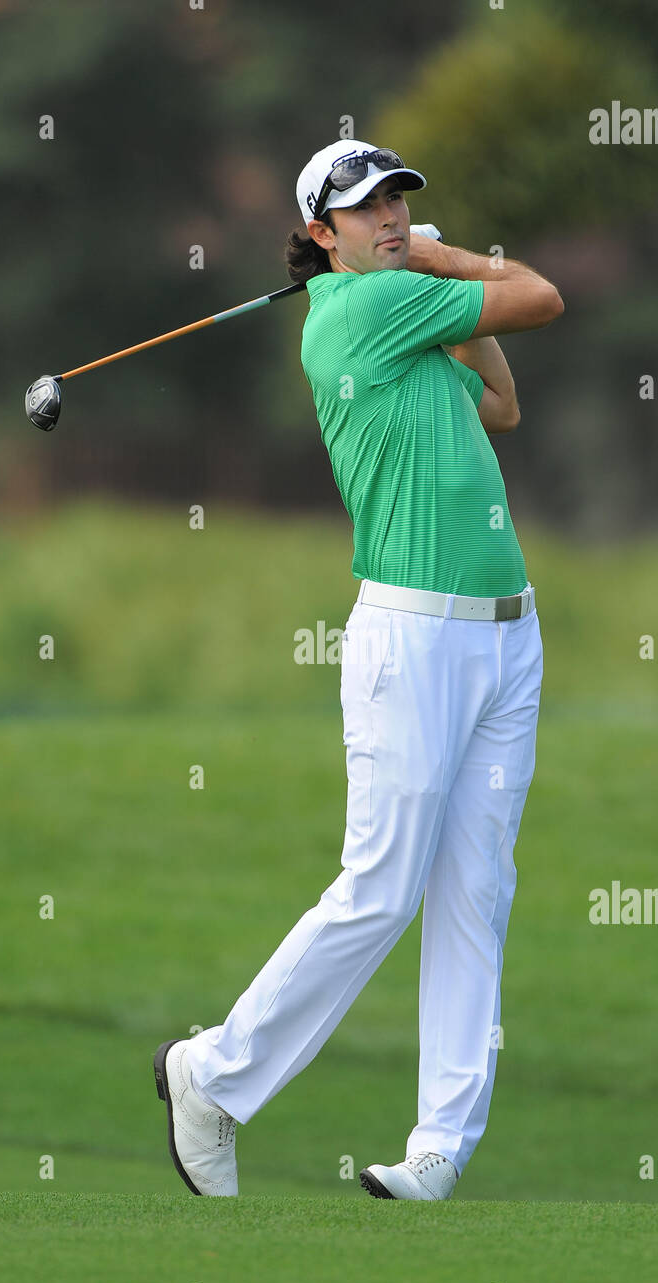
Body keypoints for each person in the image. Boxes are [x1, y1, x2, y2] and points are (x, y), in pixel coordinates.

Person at [154, 139, 563, 1200]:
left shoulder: (406, 317)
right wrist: (440, 257)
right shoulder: (359, 311)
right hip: (412, 639)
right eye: (368, 208)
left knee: (475, 892)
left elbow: (502, 407)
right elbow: (540, 295)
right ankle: (211, 1074)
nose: (390, 216)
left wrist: (431, 276)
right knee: (382, 889)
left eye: (399, 202)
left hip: (506, 632)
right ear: (321, 235)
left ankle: (438, 1146)